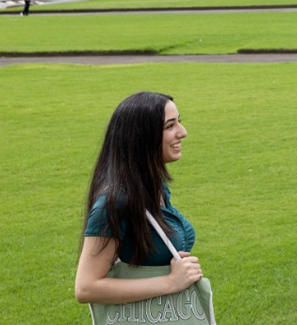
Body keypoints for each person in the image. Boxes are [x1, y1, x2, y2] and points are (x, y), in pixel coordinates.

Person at [74, 92, 203, 305]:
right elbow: (86, 288)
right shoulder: (114, 203)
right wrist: (170, 282)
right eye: (170, 126)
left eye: (179, 122)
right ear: (142, 138)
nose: (183, 132)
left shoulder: (153, 189)